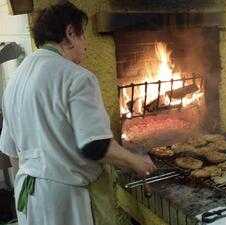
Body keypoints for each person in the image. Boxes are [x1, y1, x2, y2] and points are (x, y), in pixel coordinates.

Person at [0, 2, 157, 225]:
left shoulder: (15, 79)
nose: (86, 45)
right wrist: (136, 162)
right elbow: (96, 146)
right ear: (70, 33)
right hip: (67, 201)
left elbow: (12, 153)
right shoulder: (77, 77)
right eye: (83, 36)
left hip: (30, 199)